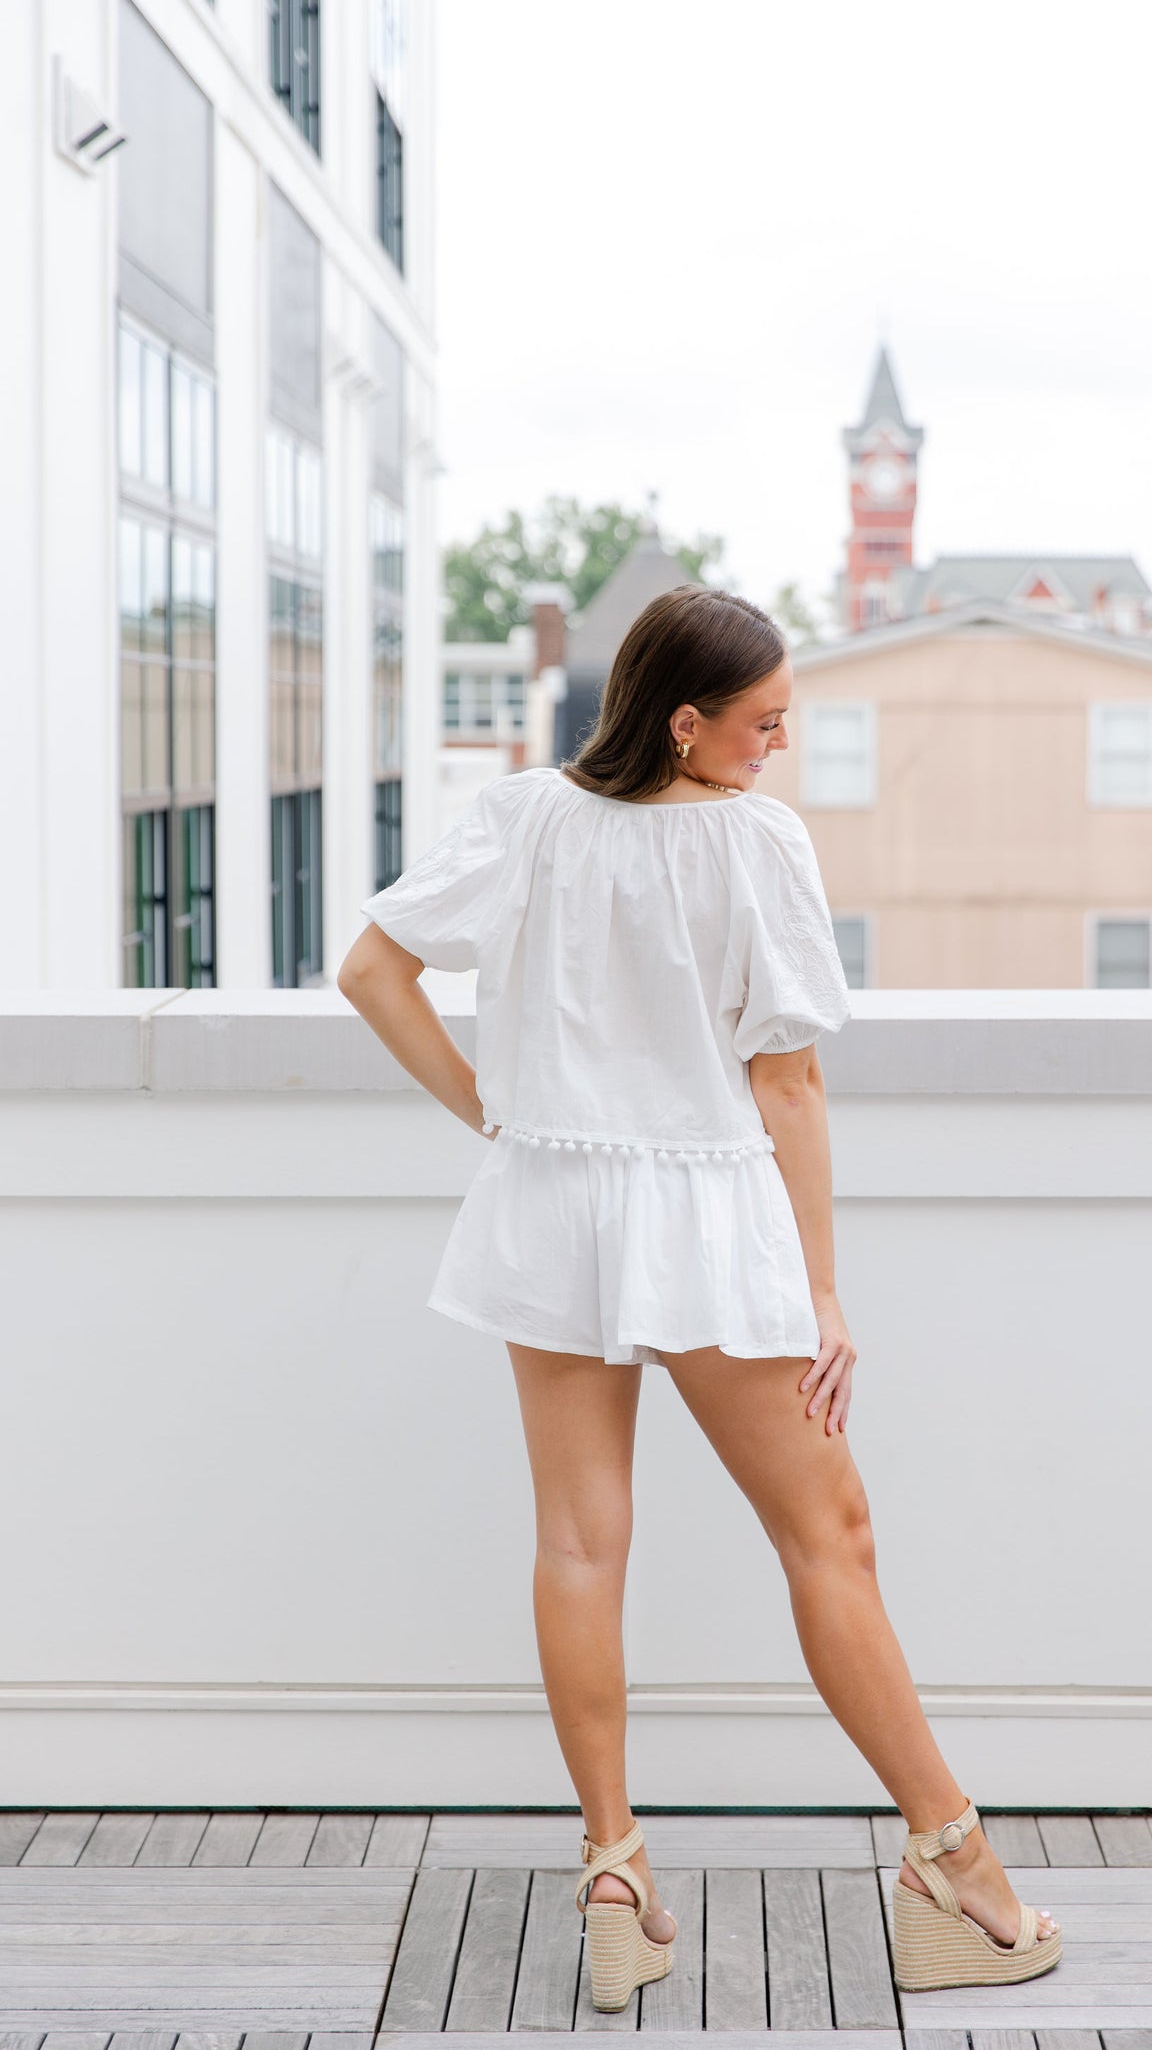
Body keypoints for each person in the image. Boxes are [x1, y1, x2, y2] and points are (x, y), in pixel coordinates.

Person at [338, 584, 1061, 2009]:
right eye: (763, 722)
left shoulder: (525, 817)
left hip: (551, 1205)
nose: (780, 745)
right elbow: (785, 1078)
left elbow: (371, 969)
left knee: (577, 1547)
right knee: (828, 1535)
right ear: (684, 720)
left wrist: (496, 1113)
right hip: (706, 1213)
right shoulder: (753, 842)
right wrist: (825, 1290)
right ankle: (955, 1871)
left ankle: (613, 1869)